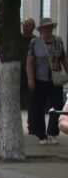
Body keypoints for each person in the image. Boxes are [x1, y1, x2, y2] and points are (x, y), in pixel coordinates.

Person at [27, 17, 66, 145]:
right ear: (41, 29)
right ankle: (41, 134)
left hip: (55, 79)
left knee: (56, 106)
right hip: (39, 79)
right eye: (46, 27)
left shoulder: (58, 42)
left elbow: (64, 59)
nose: (48, 29)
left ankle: (53, 132)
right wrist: (30, 79)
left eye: (50, 27)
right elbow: (30, 62)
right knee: (39, 107)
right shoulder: (35, 42)